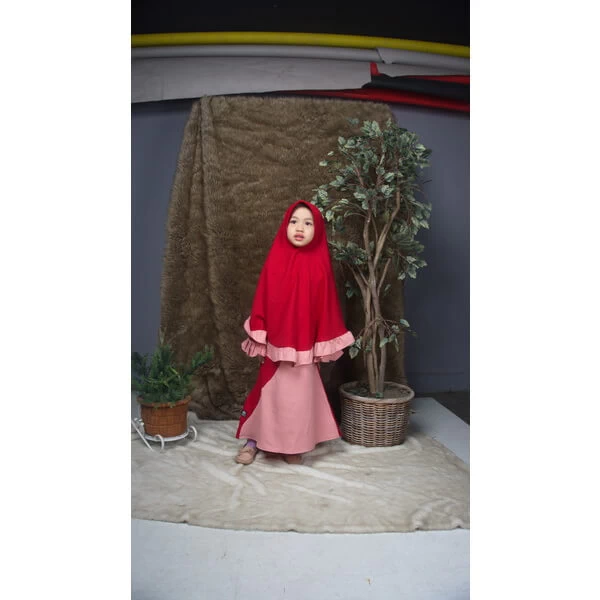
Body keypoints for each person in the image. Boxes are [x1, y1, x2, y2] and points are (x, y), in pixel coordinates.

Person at [235, 200, 354, 465]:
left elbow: (327, 308)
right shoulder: (275, 259)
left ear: (317, 230)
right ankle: (253, 441)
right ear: (285, 225)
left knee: (299, 397)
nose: (300, 228)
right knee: (269, 393)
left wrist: (322, 344)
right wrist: (260, 335)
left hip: (305, 345)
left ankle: (293, 446)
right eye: (294, 221)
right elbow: (263, 298)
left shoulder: (320, 266)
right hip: (276, 344)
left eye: (308, 223)